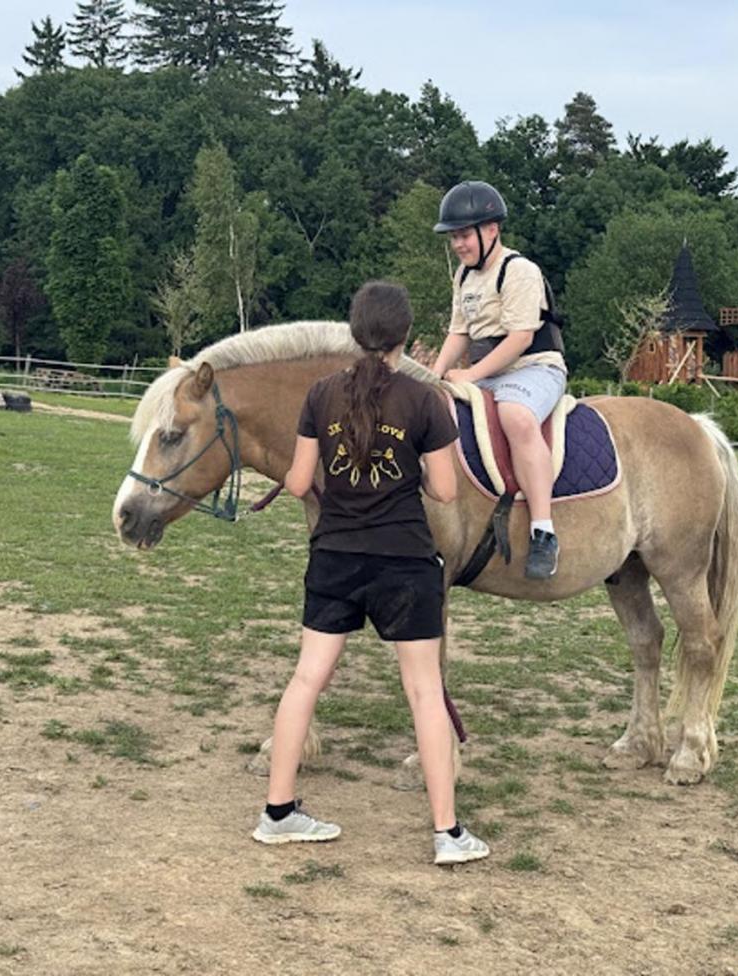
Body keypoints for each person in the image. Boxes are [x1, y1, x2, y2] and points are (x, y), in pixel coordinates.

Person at [251, 280, 490, 865]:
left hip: (334, 556)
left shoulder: (320, 395)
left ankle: (278, 813)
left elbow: (301, 483)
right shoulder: (424, 400)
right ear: (405, 337)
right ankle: (447, 833)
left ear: (354, 333)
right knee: (423, 690)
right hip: (404, 561)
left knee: (306, 680)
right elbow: (444, 488)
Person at [430, 180, 568, 580]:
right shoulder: (463, 277)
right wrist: (434, 376)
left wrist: (470, 374)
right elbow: (459, 333)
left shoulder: (519, 270)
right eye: (453, 237)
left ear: (491, 230)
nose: (458, 244)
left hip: (534, 367)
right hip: (488, 374)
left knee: (516, 416)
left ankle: (544, 531)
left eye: (463, 235)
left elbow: (521, 338)